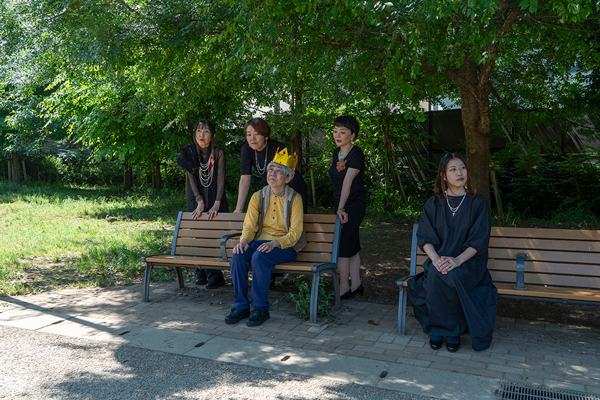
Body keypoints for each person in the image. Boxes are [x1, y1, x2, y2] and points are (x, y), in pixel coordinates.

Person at [408, 153, 497, 352]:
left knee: (453, 275)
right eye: (453, 169)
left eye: (462, 167)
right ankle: (438, 328)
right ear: (443, 175)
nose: (459, 173)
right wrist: (436, 259)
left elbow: (479, 239)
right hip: (439, 258)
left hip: (469, 262)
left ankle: (453, 331)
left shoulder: (477, 203)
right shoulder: (434, 203)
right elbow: (425, 237)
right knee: (436, 274)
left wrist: (457, 260)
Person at [225, 148, 305, 327]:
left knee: (259, 257)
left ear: (288, 178)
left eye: (278, 171)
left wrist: (275, 243)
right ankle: (241, 306)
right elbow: (249, 226)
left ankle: (260, 308)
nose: (272, 174)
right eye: (270, 170)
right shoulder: (258, 196)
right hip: (259, 243)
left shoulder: (295, 199)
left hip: (284, 247)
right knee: (238, 256)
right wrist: (243, 241)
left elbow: (295, 233)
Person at [234, 117, 308, 284]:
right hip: (271, 187)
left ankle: (290, 269)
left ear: (266, 136)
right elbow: (245, 178)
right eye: (248, 134)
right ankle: (270, 277)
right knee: (268, 226)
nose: (252, 138)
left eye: (256, 134)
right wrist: (239, 207)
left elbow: (284, 171)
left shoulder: (278, 147)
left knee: (290, 224)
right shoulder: (247, 149)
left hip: (292, 186)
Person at [176, 120, 228, 289]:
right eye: (198, 131)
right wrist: (199, 200)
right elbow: (191, 178)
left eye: (206, 131)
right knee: (199, 235)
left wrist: (217, 203)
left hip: (215, 196)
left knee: (212, 237)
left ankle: (215, 275)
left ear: (213, 136)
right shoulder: (190, 151)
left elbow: (220, 179)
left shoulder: (218, 153)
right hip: (195, 197)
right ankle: (201, 272)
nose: (201, 135)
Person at [328, 115, 366, 300]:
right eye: (335, 131)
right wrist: (339, 206)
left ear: (353, 135)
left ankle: (343, 288)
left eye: (342, 132)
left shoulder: (356, 153)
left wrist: (341, 208)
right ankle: (356, 285)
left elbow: (347, 182)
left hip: (353, 205)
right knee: (351, 244)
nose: (337, 135)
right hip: (340, 204)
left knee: (342, 246)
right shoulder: (337, 152)